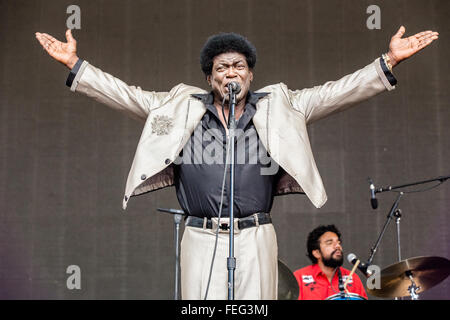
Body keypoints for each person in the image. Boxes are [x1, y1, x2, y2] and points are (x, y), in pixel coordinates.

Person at [35, 26, 438, 300]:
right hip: (199, 234)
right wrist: (76, 66)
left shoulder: (281, 104)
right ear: (210, 78)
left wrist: (387, 62)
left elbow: (335, 93)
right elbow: (125, 94)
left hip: (256, 234)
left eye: (239, 66)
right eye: (222, 67)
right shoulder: (178, 105)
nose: (231, 72)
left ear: (250, 74)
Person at [294, 225, 368, 300]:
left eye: (339, 242)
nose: (337, 246)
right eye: (329, 243)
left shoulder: (353, 278)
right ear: (317, 253)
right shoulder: (299, 278)